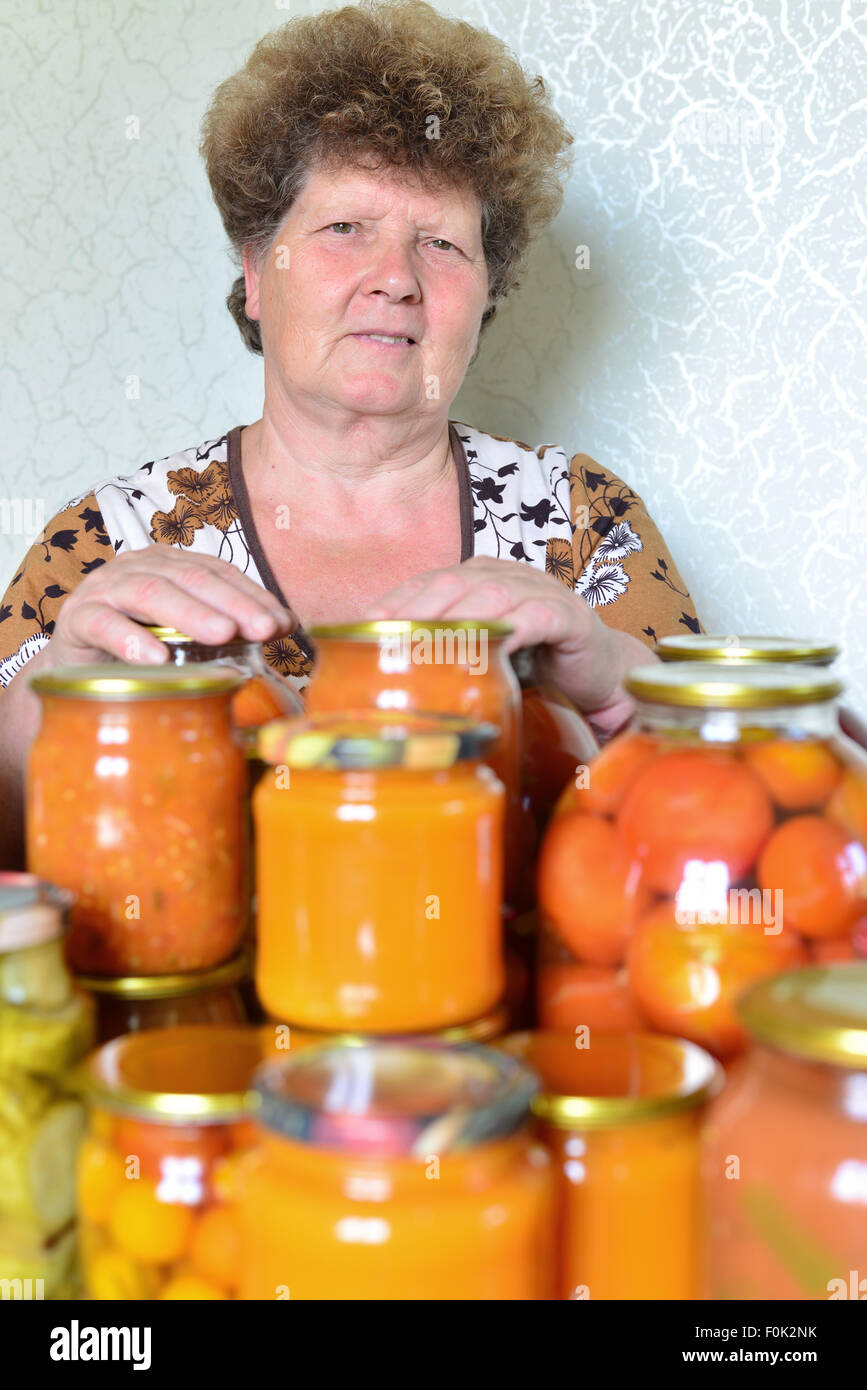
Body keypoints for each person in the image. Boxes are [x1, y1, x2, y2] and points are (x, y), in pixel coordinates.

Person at [0, 0, 702, 868]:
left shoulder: (584, 518)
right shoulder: (106, 541)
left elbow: (724, 818)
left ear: (487, 294)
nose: (395, 280)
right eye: (344, 229)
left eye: (442, 244)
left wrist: (603, 669)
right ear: (257, 273)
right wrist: (51, 698)